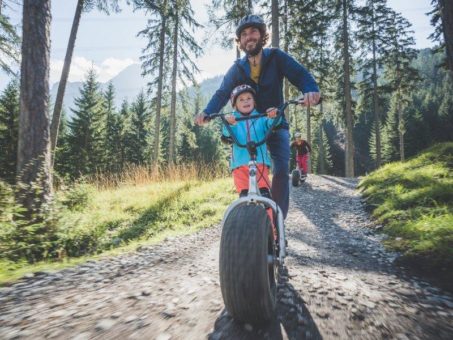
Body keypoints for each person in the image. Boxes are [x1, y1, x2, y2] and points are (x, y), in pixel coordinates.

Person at [195, 14, 320, 219]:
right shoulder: (237, 68)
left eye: (253, 31)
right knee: (247, 171)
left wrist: (311, 90)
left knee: (280, 171)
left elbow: (300, 75)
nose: (249, 37)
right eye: (244, 34)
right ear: (240, 41)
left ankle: (277, 225)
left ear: (262, 35)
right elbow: (222, 93)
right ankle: (251, 219)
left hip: (275, 125)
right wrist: (207, 112)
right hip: (248, 128)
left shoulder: (276, 57)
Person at [223, 84, 279, 237]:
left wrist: (272, 116)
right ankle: (247, 233)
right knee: (244, 198)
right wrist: (230, 124)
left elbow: (271, 125)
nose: (246, 101)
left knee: (265, 196)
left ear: (254, 101)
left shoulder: (260, 118)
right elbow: (226, 134)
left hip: (259, 163)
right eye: (241, 99)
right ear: (235, 104)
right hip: (240, 166)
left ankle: (271, 231)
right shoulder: (233, 120)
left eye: (249, 98)